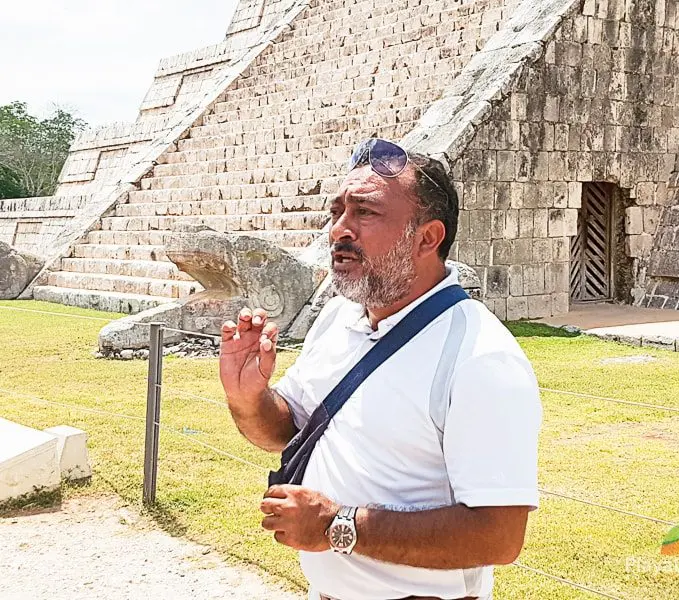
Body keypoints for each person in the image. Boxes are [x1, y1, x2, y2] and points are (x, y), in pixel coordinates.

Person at [219, 139, 542, 600]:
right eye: (337, 213)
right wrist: (248, 395)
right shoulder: (338, 318)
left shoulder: (480, 357)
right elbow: (285, 431)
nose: (339, 231)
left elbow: (498, 536)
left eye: (365, 213)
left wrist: (336, 526)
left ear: (427, 238)